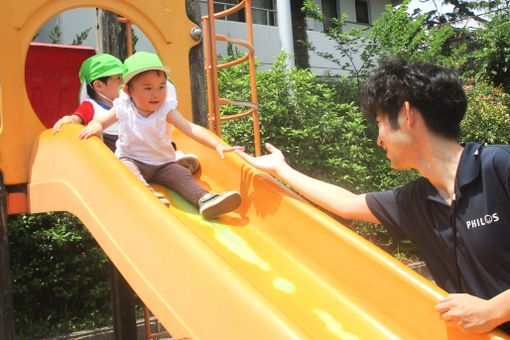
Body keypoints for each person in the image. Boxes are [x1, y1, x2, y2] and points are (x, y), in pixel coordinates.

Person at [235, 60, 510, 335]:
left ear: (406, 115)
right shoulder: (416, 200)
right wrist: (281, 169)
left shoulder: (499, 166)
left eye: (379, 122)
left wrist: (493, 310)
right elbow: (347, 204)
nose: (379, 139)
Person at [78, 51, 242, 219]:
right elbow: (100, 122)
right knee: (126, 170)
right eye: (148, 88)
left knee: (182, 174)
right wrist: (95, 127)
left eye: (161, 87)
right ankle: (146, 195)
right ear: (128, 90)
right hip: (132, 159)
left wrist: (216, 144)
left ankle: (204, 199)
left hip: (163, 163)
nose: (156, 93)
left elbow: (190, 128)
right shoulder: (123, 108)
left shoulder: (166, 110)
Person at [53, 53, 200, 173]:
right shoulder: (91, 106)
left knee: (157, 140)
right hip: (113, 145)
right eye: (119, 79)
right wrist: (69, 119)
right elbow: (78, 117)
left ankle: (174, 160)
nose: (124, 83)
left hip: (138, 146)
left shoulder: (129, 103)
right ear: (98, 85)